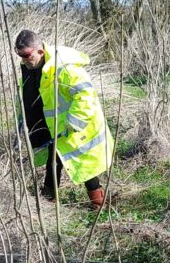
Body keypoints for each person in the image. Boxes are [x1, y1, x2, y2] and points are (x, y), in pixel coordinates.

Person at [14, 29, 113, 209]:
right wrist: (22, 118)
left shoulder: (64, 66)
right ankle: (48, 196)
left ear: (40, 51)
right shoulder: (30, 68)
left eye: (26, 55)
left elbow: (86, 93)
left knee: (81, 162)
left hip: (73, 125)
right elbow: (25, 95)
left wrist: (75, 121)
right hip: (51, 125)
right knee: (54, 157)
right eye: (20, 55)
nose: (23, 59)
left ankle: (98, 202)